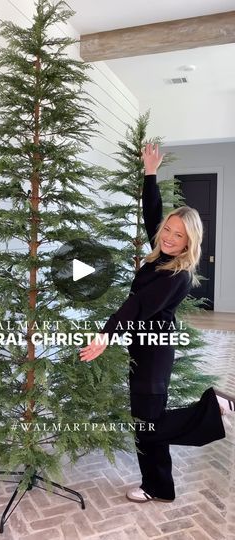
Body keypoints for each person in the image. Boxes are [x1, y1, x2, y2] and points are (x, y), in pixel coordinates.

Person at [79, 143, 235, 503]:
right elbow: (153, 214)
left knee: (148, 425)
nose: (167, 236)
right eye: (168, 230)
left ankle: (215, 408)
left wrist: (105, 336)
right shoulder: (160, 254)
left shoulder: (177, 274)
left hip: (153, 352)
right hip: (143, 345)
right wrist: (150, 172)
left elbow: (136, 306)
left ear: (188, 243)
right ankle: (158, 486)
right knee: (148, 421)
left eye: (178, 235)